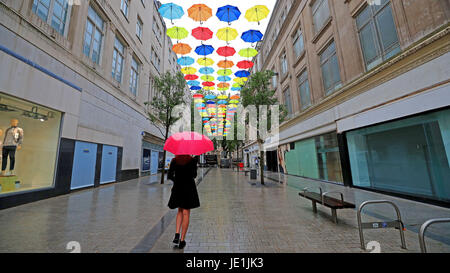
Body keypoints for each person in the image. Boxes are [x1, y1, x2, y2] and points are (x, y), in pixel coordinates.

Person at [167, 154, 200, 249]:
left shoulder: (174, 160)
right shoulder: (192, 160)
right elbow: (194, 175)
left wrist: (177, 180)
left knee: (179, 211)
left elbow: (169, 175)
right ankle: (182, 240)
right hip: (189, 188)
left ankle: (177, 233)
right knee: (186, 213)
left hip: (178, 188)